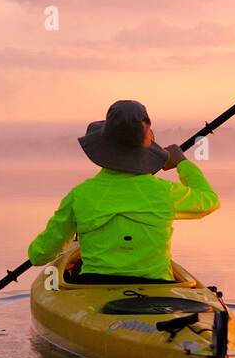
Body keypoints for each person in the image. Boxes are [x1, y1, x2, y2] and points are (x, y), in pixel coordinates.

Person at [27, 100, 219, 283]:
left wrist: (39, 250)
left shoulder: (80, 195)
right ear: (146, 149)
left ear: (102, 146)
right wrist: (182, 163)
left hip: (93, 286)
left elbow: (39, 255)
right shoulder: (165, 192)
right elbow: (209, 200)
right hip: (157, 287)